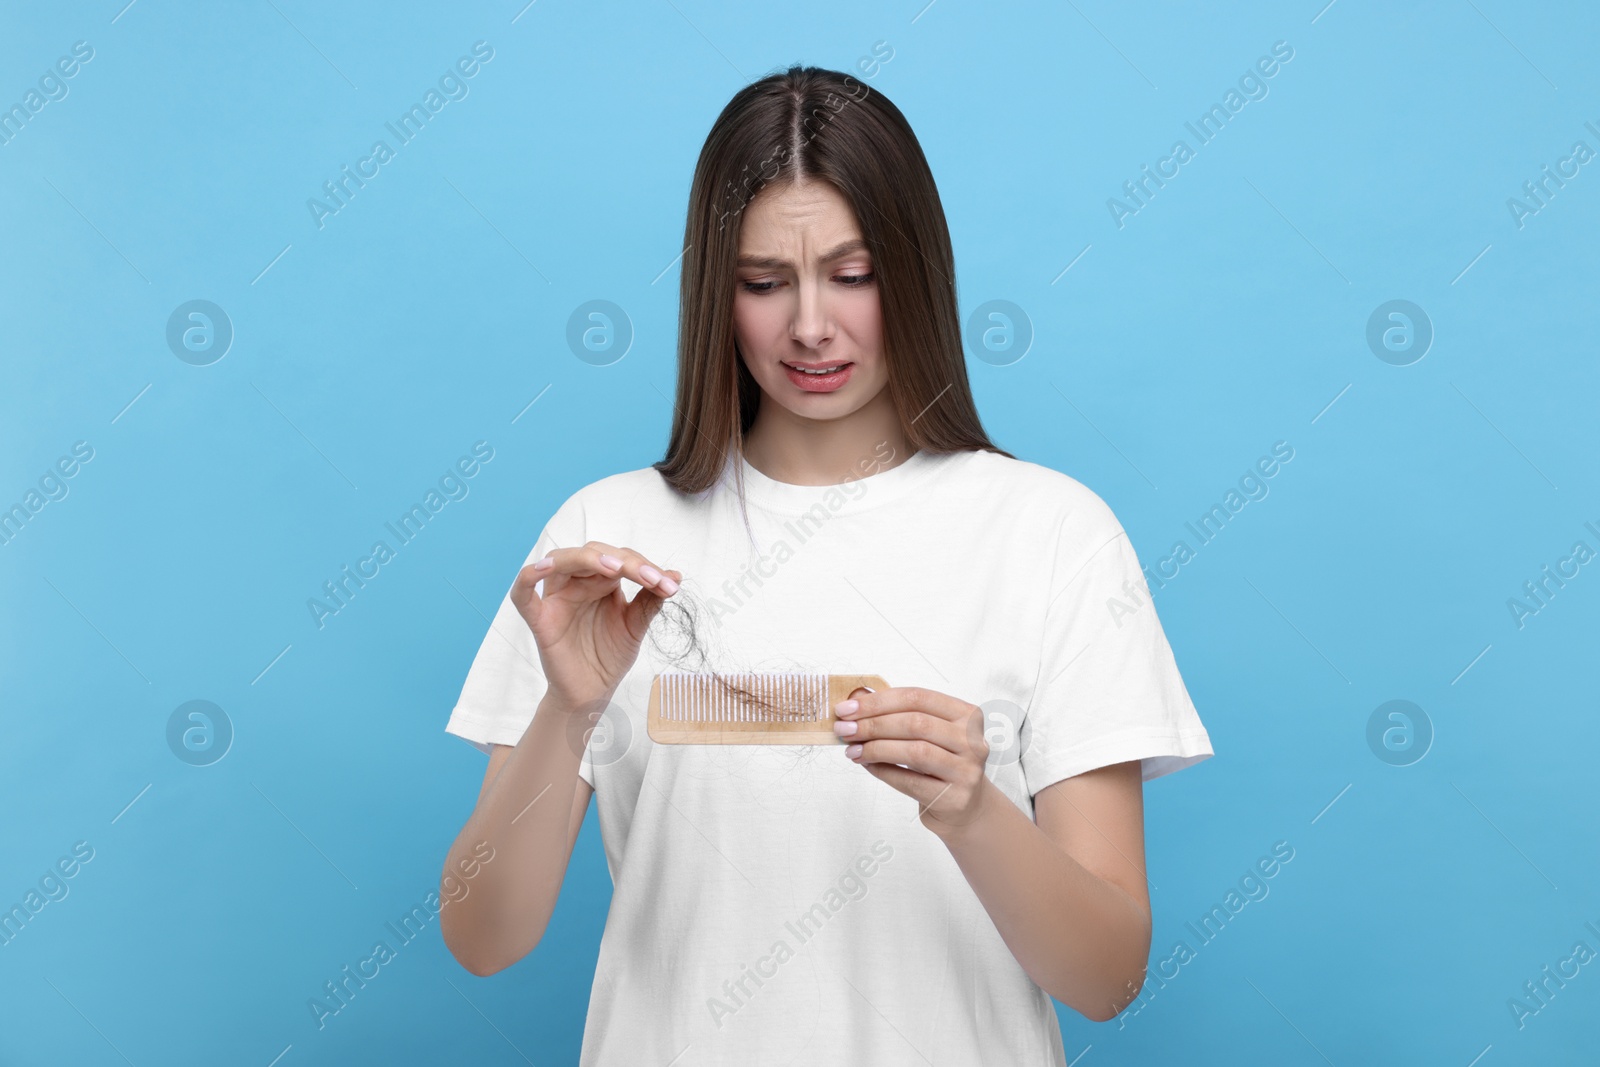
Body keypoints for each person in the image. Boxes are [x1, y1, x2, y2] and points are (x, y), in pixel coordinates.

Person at [439, 64, 1213, 1065]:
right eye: (765, 282)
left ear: (917, 272)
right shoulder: (605, 538)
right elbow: (481, 936)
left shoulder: (1052, 534)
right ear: (716, 292)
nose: (810, 324)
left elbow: (1108, 977)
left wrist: (974, 810)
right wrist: (568, 708)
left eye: (852, 275)